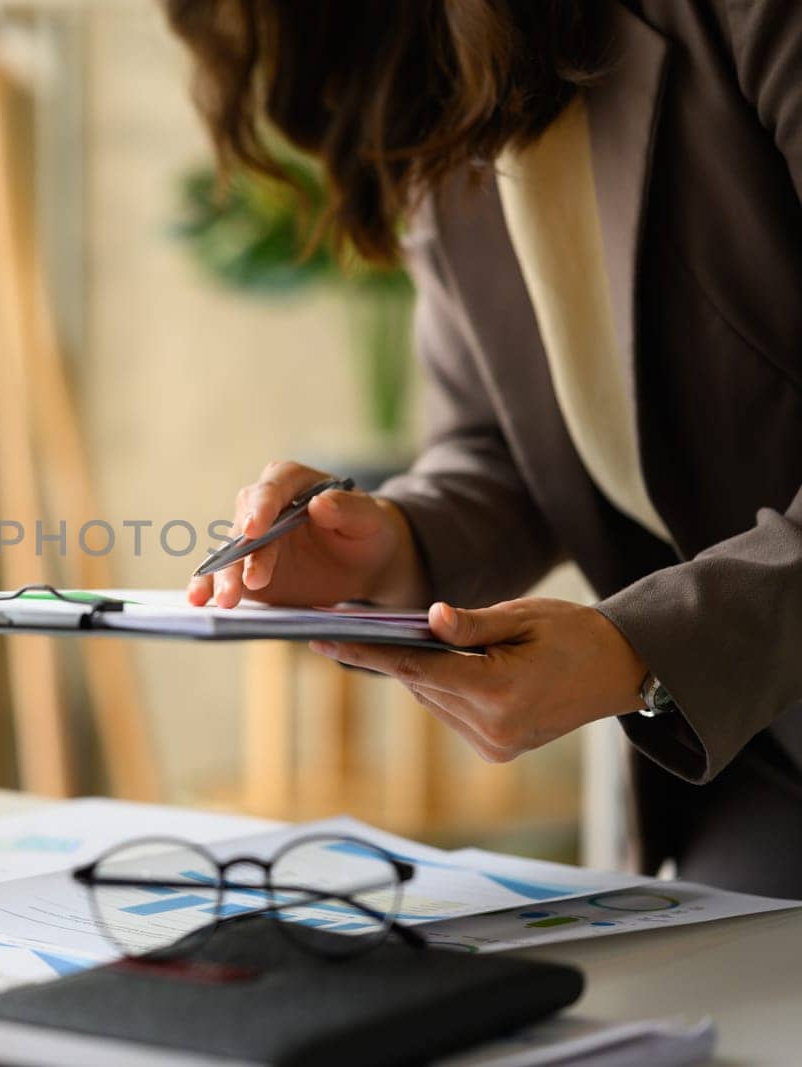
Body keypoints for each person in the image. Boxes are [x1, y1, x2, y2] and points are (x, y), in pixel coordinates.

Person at [167, 0, 802, 897]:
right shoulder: (426, 58)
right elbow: (496, 440)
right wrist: (390, 539)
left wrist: (646, 648)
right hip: (760, 760)